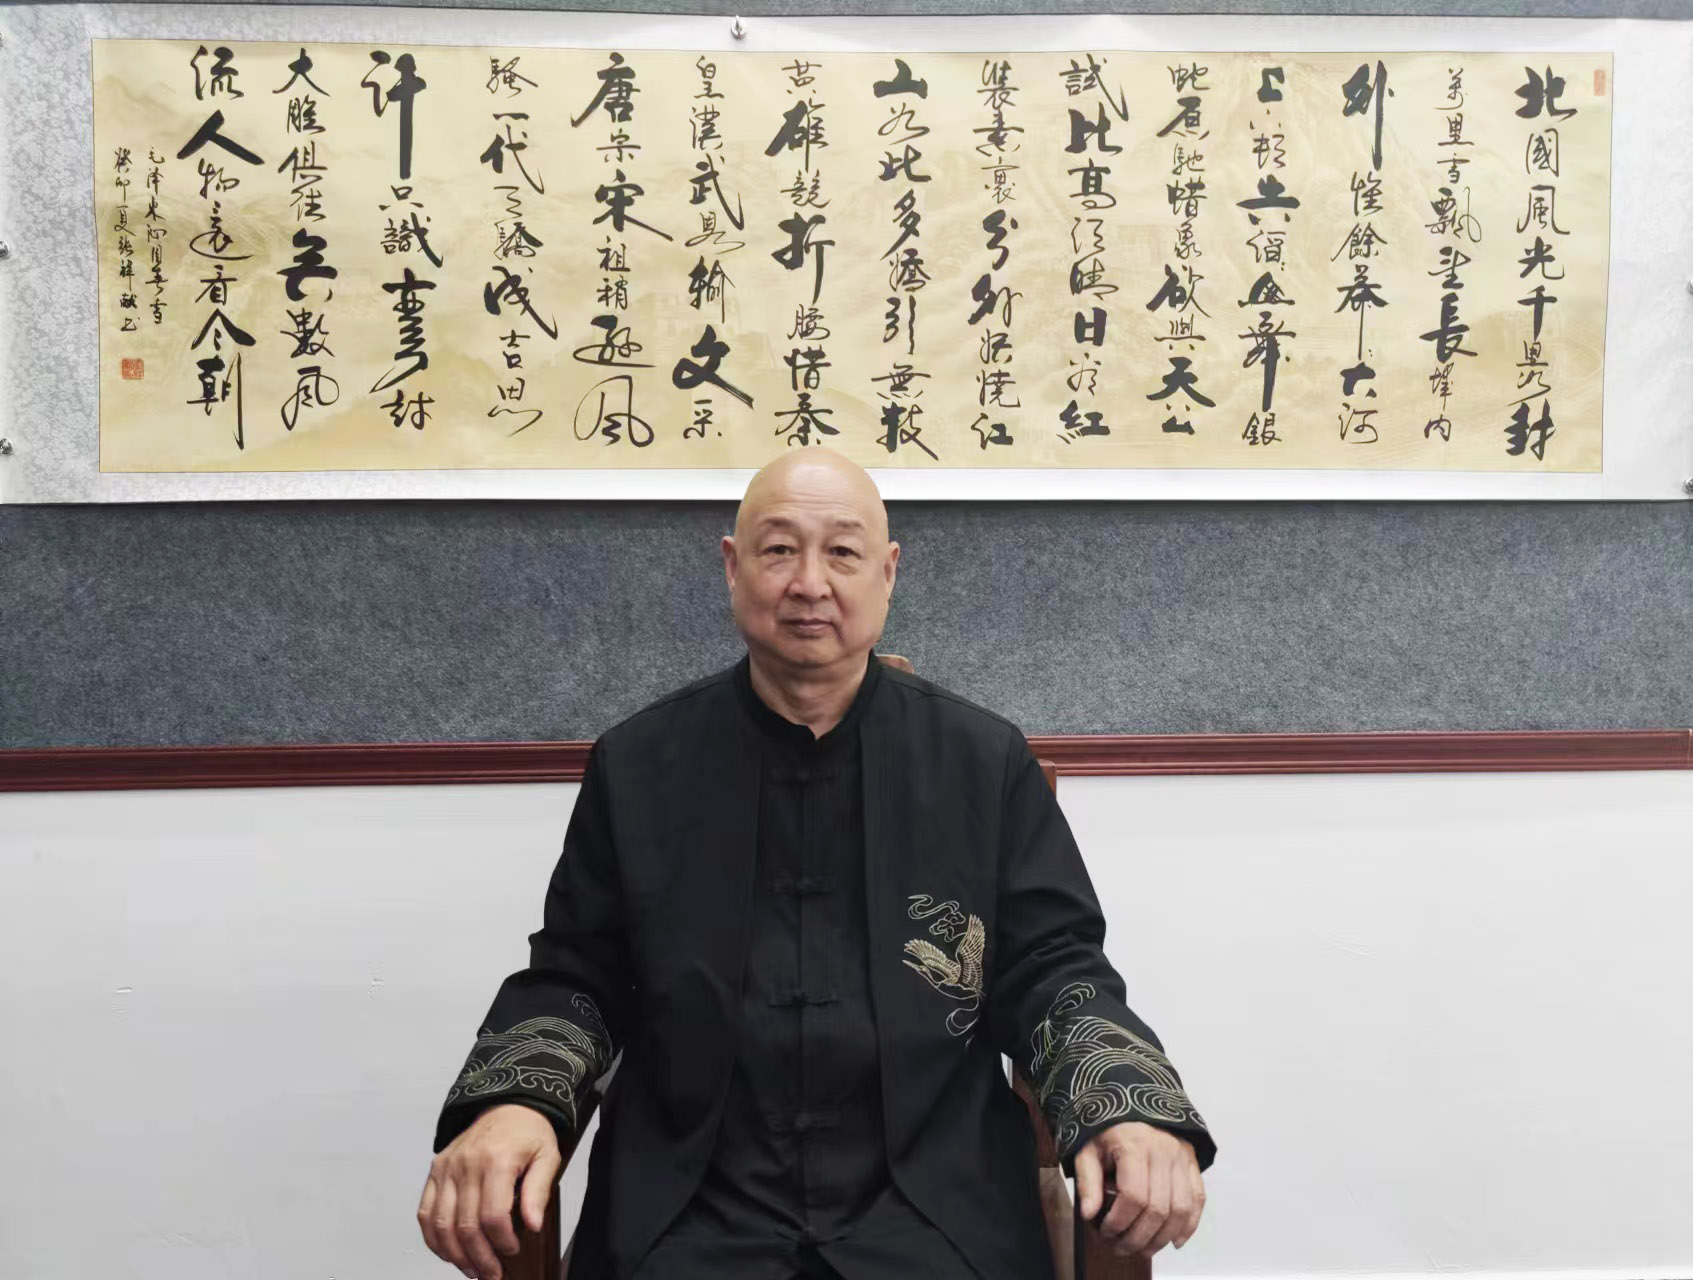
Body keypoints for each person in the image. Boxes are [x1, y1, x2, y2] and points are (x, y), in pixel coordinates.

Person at [418, 450, 1215, 1280]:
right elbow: (578, 970)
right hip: (694, 1203)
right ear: (732, 568)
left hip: (933, 1203)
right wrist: (516, 1101)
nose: (809, 583)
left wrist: (1125, 1104)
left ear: (887, 573)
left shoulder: (983, 762)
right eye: (778, 550)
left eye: (841, 552)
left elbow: (1052, 966)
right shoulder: (638, 764)